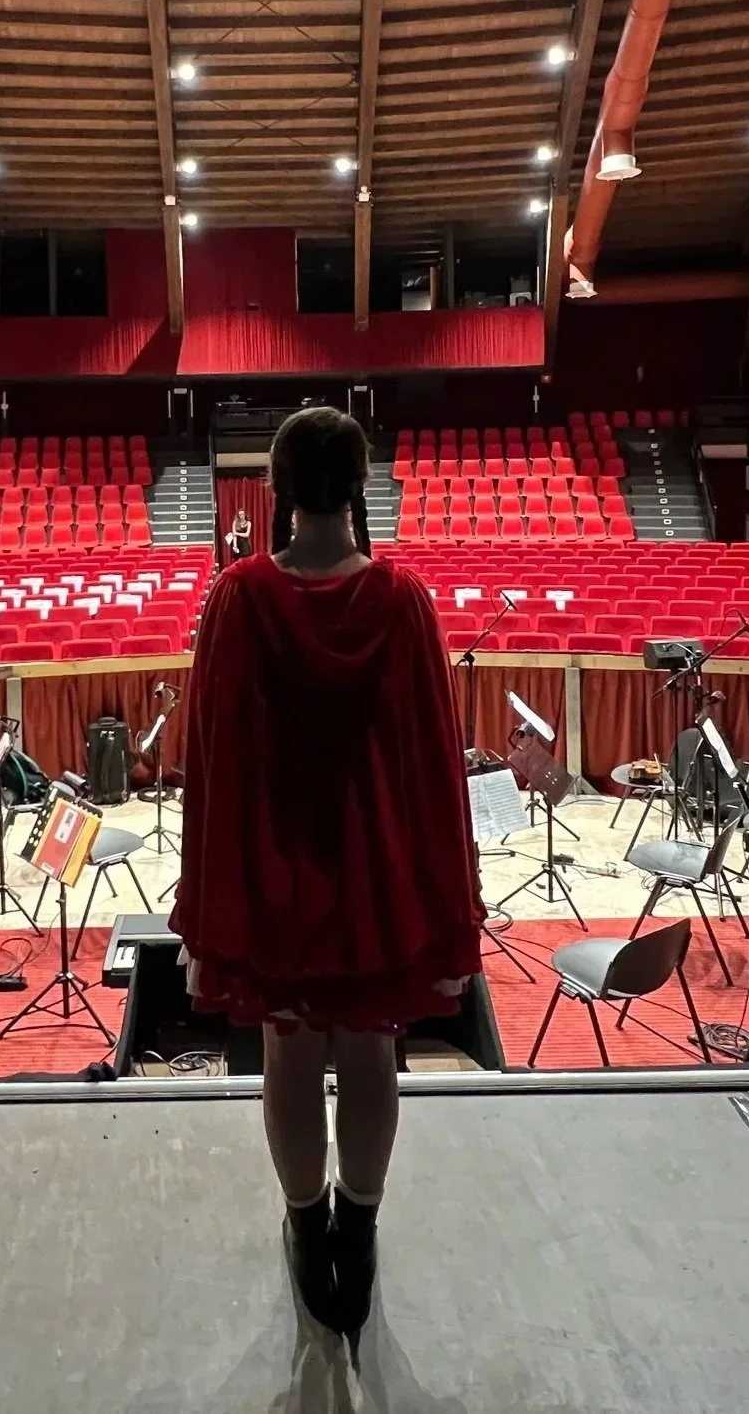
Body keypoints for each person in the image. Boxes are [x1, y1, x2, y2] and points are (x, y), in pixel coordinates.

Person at [172, 407, 483, 1351]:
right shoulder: (404, 601)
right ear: (358, 486)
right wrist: (449, 903)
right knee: (370, 1052)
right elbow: (435, 765)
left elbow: (212, 763)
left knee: (292, 1055)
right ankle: (359, 1224)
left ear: (276, 489)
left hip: (275, 877)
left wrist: (206, 907)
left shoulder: (238, 597)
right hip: (377, 880)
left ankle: (310, 1233)